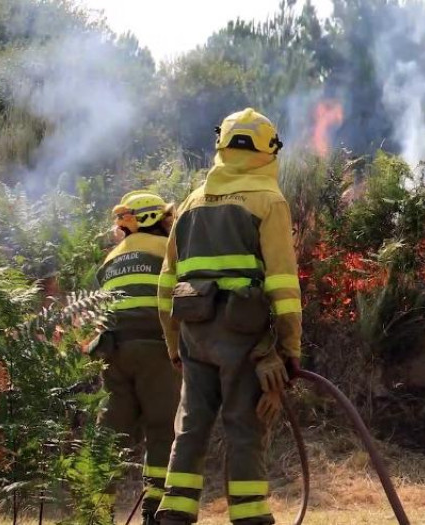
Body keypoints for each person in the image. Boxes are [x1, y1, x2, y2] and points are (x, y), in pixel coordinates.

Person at [155, 108, 301, 525]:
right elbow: (283, 287)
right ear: (267, 151)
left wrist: (173, 346)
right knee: (246, 426)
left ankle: (173, 515)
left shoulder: (190, 204)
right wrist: (288, 349)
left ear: (222, 146)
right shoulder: (269, 201)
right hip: (246, 338)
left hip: (194, 334)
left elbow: (166, 287)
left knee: (191, 429)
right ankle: (252, 518)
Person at [92, 191, 181, 525]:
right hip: (157, 351)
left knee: (110, 436)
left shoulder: (109, 259)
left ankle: (96, 512)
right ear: (154, 219)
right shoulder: (169, 249)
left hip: (114, 356)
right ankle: (154, 512)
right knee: (161, 431)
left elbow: (96, 308)